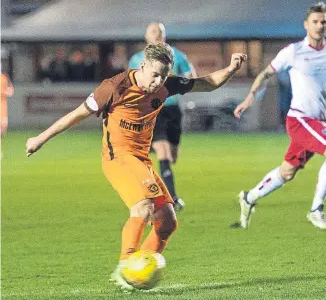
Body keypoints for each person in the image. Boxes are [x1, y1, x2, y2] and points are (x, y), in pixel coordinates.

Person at [26, 43, 246, 291]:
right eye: (155, 75)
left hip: (141, 159)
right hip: (117, 157)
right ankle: (125, 269)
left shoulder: (166, 84)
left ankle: (139, 273)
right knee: (143, 207)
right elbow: (76, 115)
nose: (158, 81)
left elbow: (207, 83)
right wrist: (40, 139)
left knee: (167, 222)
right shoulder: (114, 87)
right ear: (142, 66)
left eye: (164, 75)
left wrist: (231, 68)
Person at [232, 2, 326, 230]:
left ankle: (248, 198)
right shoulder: (294, 52)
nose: (320, 26)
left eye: (324, 22)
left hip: (317, 122)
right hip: (300, 119)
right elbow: (265, 73)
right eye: (315, 22)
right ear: (306, 25)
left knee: (287, 172)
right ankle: (316, 209)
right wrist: (249, 97)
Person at [129, 23, 196, 211]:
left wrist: (177, 79)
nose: (157, 34)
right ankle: (172, 198)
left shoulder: (178, 56)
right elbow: (133, 82)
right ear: (146, 36)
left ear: (165, 35)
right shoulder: (136, 59)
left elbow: (192, 77)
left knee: (172, 155)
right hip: (152, 110)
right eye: (153, 32)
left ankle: (149, 153)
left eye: (160, 32)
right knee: (163, 151)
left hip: (173, 110)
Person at [1, 72, 14, 137]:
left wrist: (5, 92)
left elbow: (10, 91)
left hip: (3, 105)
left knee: (3, 126)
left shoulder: (4, 77)